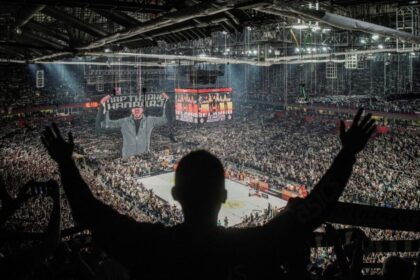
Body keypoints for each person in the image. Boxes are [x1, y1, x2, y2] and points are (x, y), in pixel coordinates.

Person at [41, 109, 376, 280]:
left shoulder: (149, 246)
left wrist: (66, 163)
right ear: (223, 194)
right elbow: (311, 214)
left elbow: (89, 212)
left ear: (175, 194)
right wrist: (347, 155)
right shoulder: (247, 246)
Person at [100, 92, 169, 157]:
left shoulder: (150, 120)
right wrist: (105, 107)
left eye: (139, 106)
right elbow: (106, 124)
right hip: (128, 158)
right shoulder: (124, 121)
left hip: (144, 157)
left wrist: (167, 102)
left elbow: (164, 120)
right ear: (131, 109)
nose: (136, 109)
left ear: (143, 109)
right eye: (134, 107)